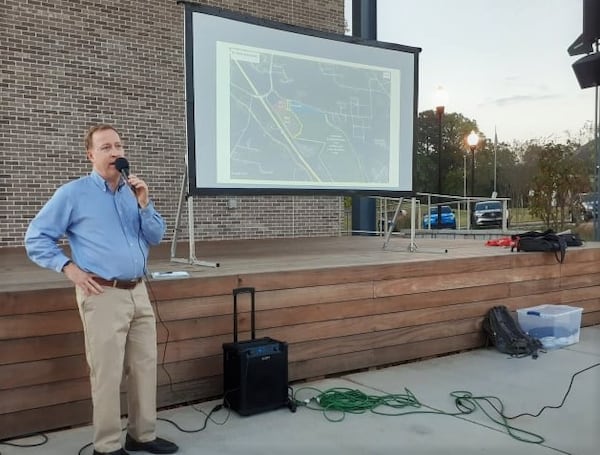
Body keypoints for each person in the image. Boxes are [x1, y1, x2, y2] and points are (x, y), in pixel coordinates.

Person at [25, 124, 178, 455]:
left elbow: (155, 236)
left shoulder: (131, 192)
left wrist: (145, 203)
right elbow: (36, 237)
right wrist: (68, 268)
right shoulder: (73, 194)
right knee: (107, 373)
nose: (116, 152)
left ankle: (142, 435)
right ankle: (107, 447)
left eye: (119, 146)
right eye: (106, 147)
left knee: (144, 366)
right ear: (90, 155)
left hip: (138, 292)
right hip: (102, 294)